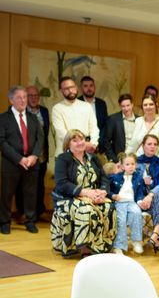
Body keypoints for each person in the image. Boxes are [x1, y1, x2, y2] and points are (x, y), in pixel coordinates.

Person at [51, 129, 116, 257]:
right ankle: (85, 247)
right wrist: (86, 192)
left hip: (93, 195)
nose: (80, 142)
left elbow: (104, 178)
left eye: (81, 139)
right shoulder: (63, 159)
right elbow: (62, 184)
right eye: (74, 140)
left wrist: (102, 192)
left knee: (108, 206)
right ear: (68, 144)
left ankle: (101, 246)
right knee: (85, 210)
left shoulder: (93, 158)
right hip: (69, 197)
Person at [0, 86, 44, 234]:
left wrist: (34, 156)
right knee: (7, 194)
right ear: (11, 100)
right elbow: (2, 142)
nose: (23, 100)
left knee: (31, 193)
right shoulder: (3, 118)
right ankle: (5, 222)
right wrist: (19, 159)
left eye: (25, 97)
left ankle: (30, 221)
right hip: (11, 163)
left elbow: (40, 139)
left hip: (32, 163)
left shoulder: (33, 118)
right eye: (19, 97)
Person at [136, 134, 159, 252]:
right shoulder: (135, 161)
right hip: (138, 199)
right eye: (149, 144)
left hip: (155, 199)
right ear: (143, 145)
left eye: (155, 144)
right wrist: (141, 198)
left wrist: (150, 195)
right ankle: (156, 236)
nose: (152, 147)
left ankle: (155, 233)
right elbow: (130, 184)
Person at [51, 77, 100, 157]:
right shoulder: (57, 108)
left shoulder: (86, 106)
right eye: (67, 88)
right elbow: (62, 134)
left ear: (76, 87)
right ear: (61, 91)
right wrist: (82, 145)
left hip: (86, 153)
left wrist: (93, 144)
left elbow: (94, 128)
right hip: (66, 154)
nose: (70, 91)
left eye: (72, 87)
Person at [109, 153, 146, 255]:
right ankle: (119, 246)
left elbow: (140, 193)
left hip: (131, 202)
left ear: (136, 165)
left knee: (137, 213)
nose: (130, 166)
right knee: (121, 220)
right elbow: (108, 190)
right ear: (122, 166)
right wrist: (113, 196)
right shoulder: (114, 177)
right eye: (127, 164)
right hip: (119, 202)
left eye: (132, 164)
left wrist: (140, 201)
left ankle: (137, 241)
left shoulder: (138, 178)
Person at [25, 85, 50, 219]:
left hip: (41, 155)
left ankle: (40, 211)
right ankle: (24, 213)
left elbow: (45, 133)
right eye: (30, 95)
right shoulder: (21, 112)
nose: (33, 98)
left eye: (36, 96)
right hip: (26, 156)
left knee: (40, 184)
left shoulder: (44, 111)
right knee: (24, 185)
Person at [128, 94, 159, 160]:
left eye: (151, 104)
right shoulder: (138, 121)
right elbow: (133, 144)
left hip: (156, 162)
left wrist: (157, 163)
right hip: (139, 161)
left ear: (156, 105)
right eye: (145, 105)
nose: (148, 107)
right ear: (142, 107)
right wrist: (125, 159)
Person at [78, 76, 109, 153]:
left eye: (91, 85)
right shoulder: (77, 103)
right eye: (85, 86)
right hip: (81, 144)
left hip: (99, 145)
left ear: (94, 87)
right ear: (81, 88)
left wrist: (98, 142)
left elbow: (104, 125)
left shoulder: (101, 103)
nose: (89, 88)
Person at [104, 93, 137, 162]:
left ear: (132, 105)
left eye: (128, 105)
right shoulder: (113, 119)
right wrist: (114, 159)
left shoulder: (139, 120)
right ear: (120, 106)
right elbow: (106, 142)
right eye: (123, 106)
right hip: (119, 159)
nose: (126, 109)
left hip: (136, 158)